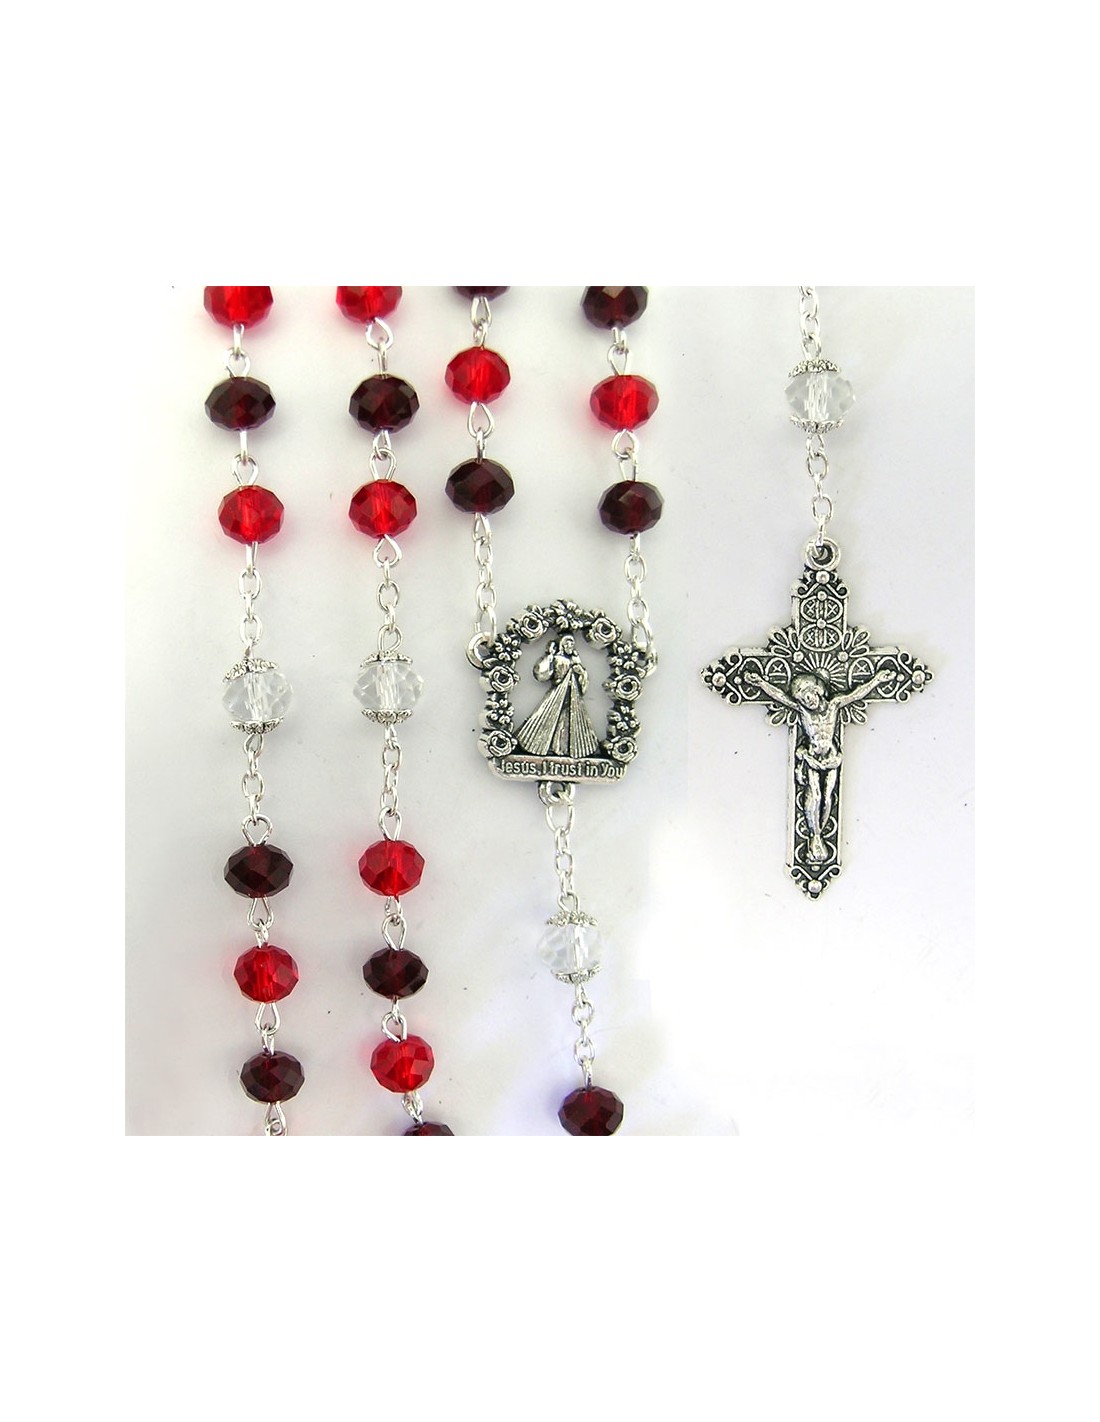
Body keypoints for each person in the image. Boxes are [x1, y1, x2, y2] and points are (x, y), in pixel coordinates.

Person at [744, 667, 896, 863]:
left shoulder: (834, 705)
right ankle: (814, 836)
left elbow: (856, 694)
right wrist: (760, 682)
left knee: (827, 799)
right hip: (813, 758)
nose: (808, 701)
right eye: (803, 699)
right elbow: (781, 696)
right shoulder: (803, 712)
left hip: (831, 758)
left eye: (808, 695)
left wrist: (877, 680)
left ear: (817, 690)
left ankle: (819, 836)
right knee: (815, 795)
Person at [516, 635, 600, 759]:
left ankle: (562, 748)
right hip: (556, 694)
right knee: (546, 717)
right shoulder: (557, 658)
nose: (570, 646)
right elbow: (542, 674)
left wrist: (581, 673)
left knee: (567, 721)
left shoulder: (575, 660)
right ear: (562, 645)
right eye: (567, 644)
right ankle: (539, 745)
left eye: (572, 644)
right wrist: (549, 656)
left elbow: (583, 680)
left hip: (572, 696)